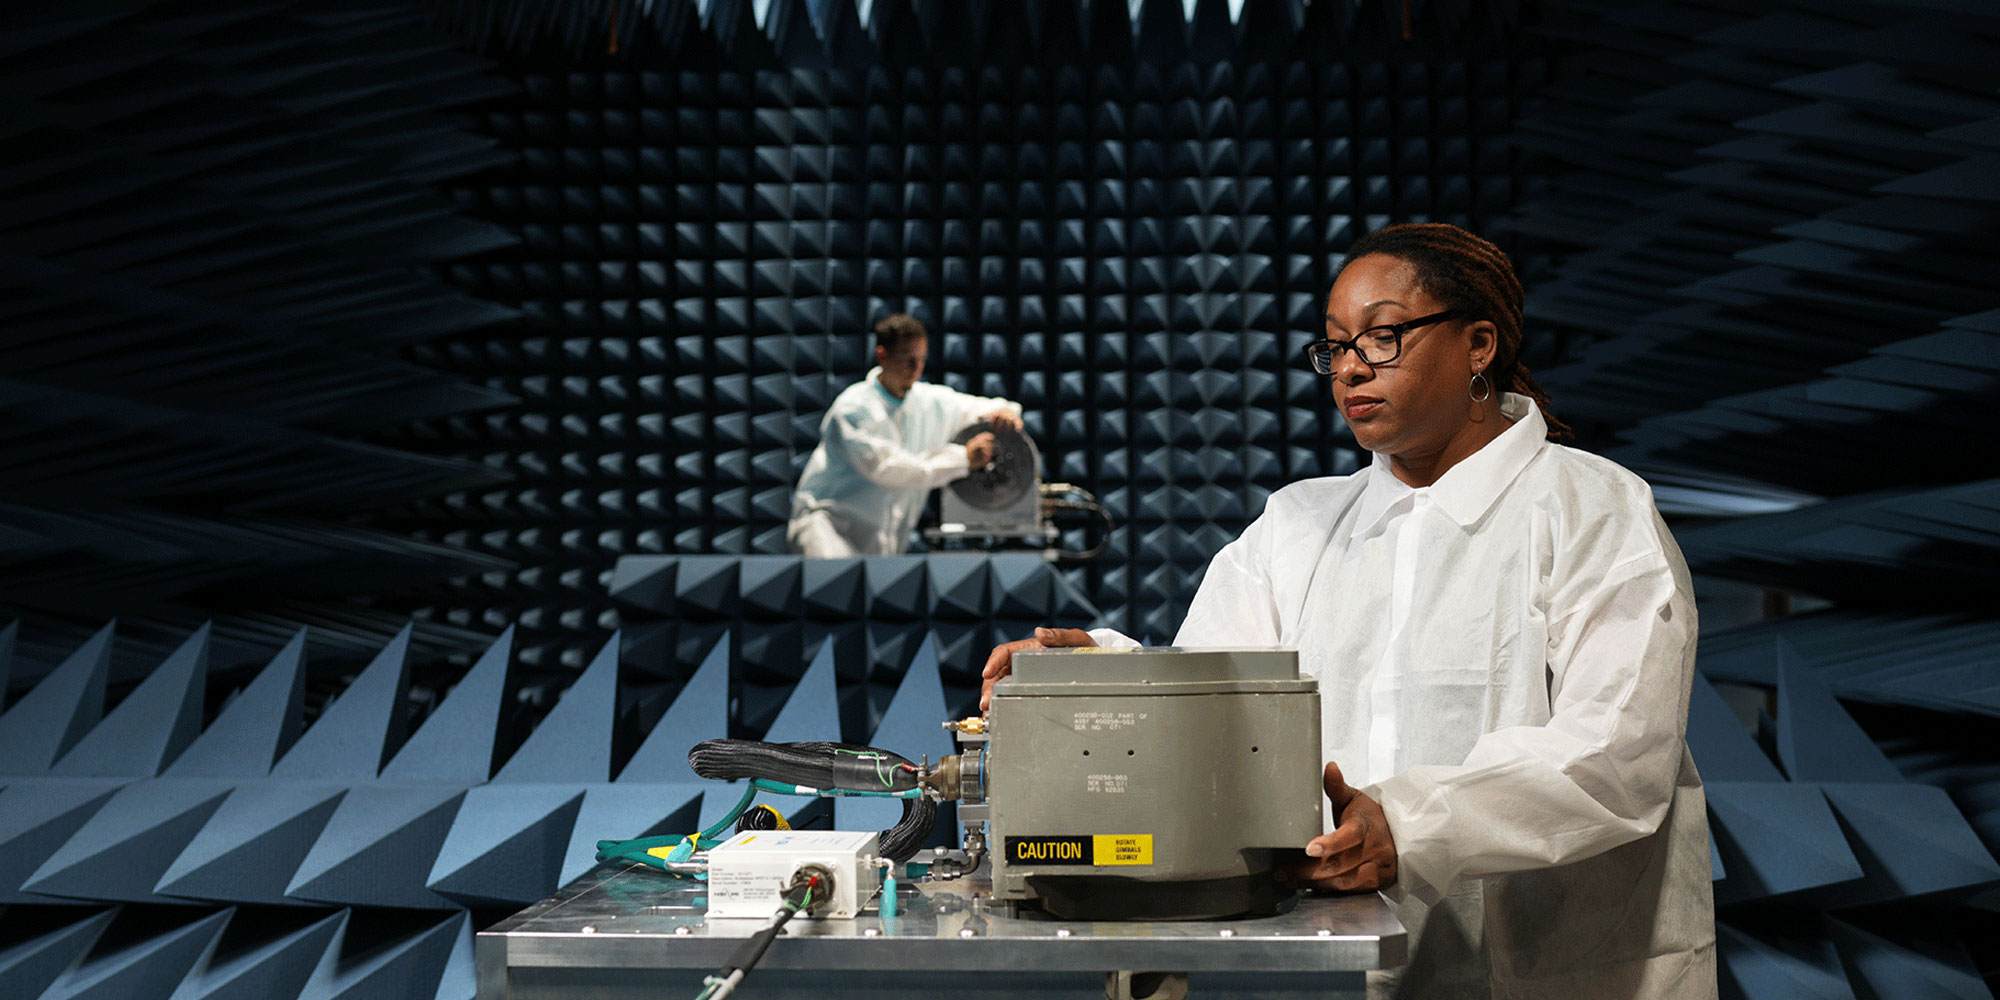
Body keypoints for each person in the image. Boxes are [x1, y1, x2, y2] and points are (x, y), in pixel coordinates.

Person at [980, 224, 1714, 999]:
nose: (1351, 367)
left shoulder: (1594, 511)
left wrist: (1408, 825)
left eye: (1384, 336)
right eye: (1335, 346)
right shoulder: (1297, 524)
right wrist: (1103, 682)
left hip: (1550, 968)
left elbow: (1616, 755)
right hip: (1333, 969)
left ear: (1479, 345)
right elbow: (1213, 698)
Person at [788, 313, 1024, 557]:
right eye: (907, 358)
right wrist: (962, 460)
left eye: (921, 359)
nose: (916, 368)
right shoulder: (854, 408)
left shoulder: (928, 401)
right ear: (882, 355)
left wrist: (1004, 412)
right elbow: (887, 469)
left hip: (881, 546)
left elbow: (983, 408)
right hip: (827, 532)